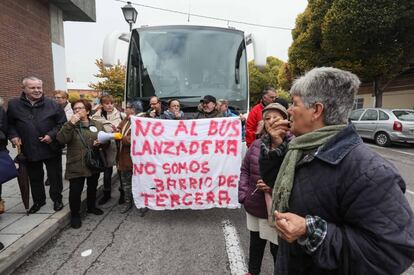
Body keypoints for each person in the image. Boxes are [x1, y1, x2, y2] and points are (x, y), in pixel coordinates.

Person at [271, 67, 414, 275]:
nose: (289, 110)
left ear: (316, 111)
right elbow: (281, 185)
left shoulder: (369, 171)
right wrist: (274, 148)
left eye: (294, 103)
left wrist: (311, 231)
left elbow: (392, 252)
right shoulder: (301, 148)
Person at [239, 102, 289, 275]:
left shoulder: (294, 145)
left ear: (285, 120)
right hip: (255, 206)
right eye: (267, 118)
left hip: (277, 210)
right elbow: (245, 169)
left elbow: (298, 177)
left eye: (276, 117)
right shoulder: (256, 144)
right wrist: (244, 195)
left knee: (277, 249)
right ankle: (252, 272)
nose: (271, 121)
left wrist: (272, 186)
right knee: (255, 244)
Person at [7, 76, 66, 213]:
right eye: (32, 87)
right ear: (24, 89)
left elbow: (62, 124)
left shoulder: (53, 104)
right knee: (35, 176)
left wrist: (51, 135)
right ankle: (39, 201)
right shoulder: (14, 104)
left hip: (51, 147)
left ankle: (57, 199)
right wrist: (14, 136)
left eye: (39, 87)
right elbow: (10, 124)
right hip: (30, 148)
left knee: (54, 176)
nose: (37, 90)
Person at [57, 99, 105, 229]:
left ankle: (91, 207)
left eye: (80, 108)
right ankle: (75, 215)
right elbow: (61, 139)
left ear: (88, 111)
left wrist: (100, 143)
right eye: (75, 109)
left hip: (93, 162)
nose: (77, 111)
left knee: (92, 187)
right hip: (76, 163)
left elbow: (104, 138)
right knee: (75, 192)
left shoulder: (97, 124)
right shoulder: (70, 125)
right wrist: (70, 123)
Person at [91, 95, 125, 205]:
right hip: (105, 148)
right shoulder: (95, 117)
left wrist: (119, 130)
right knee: (107, 173)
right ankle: (106, 194)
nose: (110, 105)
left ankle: (123, 194)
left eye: (111, 103)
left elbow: (127, 129)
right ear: (101, 105)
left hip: (119, 147)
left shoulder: (121, 115)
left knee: (121, 172)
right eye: (107, 103)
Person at [117, 100, 145, 213]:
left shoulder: (142, 121)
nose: (125, 109)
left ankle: (142, 205)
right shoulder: (127, 119)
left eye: (127, 107)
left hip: (137, 159)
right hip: (124, 158)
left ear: (133, 109)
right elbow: (120, 128)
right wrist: (117, 131)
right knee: (126, 184)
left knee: (140, 183)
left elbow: (133, 140)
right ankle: (128, 203)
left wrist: (119, 137)